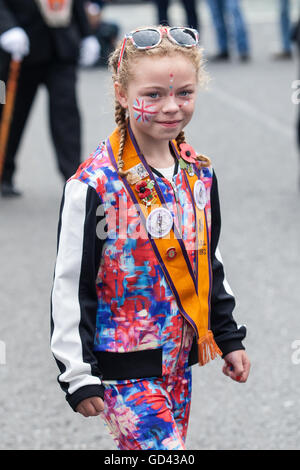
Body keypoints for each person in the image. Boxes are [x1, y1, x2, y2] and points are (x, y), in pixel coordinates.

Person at [50, 25, 251, 450]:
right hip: (123, 368)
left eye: (185, 94)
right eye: (153, 94)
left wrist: (226, 334)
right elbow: (71, 282)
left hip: (179, 361)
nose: (171, 108)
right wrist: (77, 372)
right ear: (122, 94)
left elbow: (207, 259)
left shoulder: (199, 171)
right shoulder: (93, 184)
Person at [0, 0, 100, 197]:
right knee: (12, 115)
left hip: (61, 47)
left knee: (67, 114)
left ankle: (74, 178)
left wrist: (87, 34)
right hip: (20, 46)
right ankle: (4, 172)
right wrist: (5, 27)